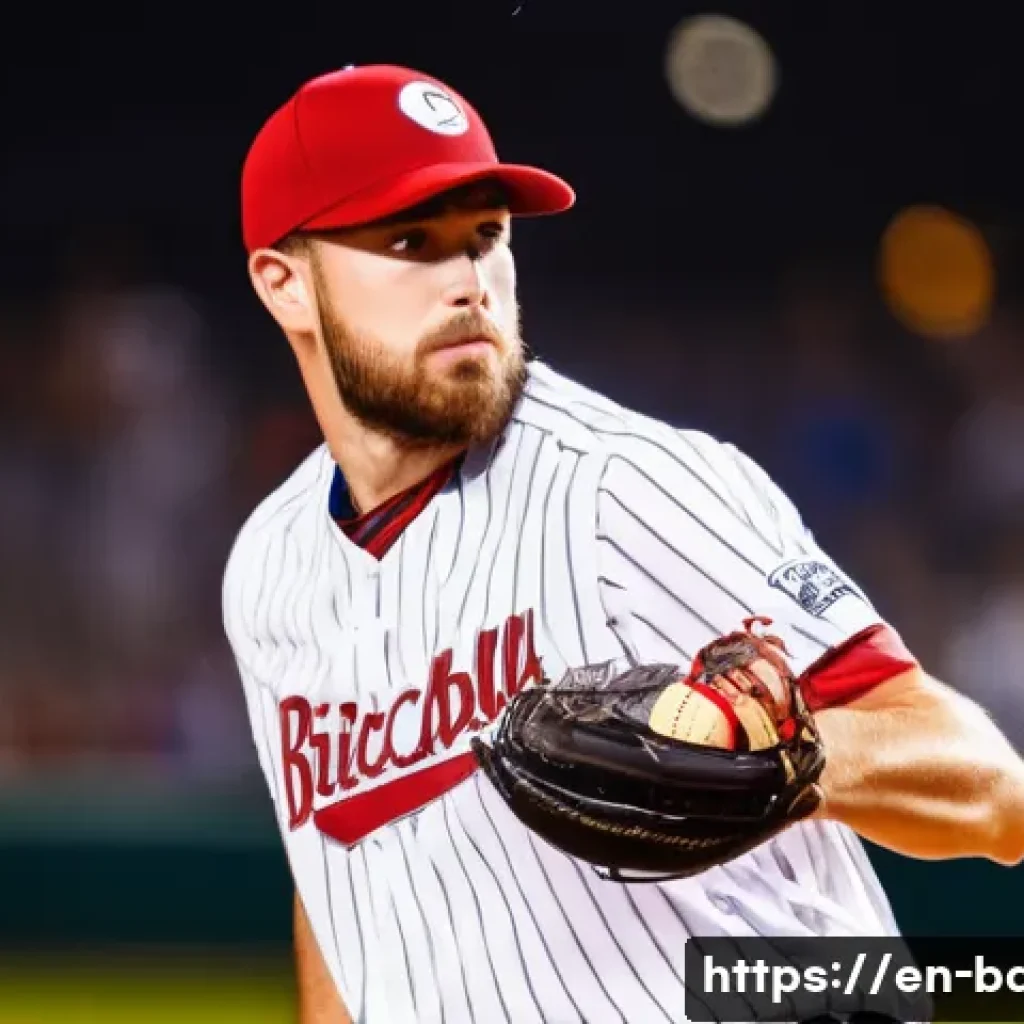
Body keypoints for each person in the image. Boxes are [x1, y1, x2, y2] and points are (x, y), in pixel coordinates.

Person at [223, 63, 1024, 1024]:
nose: (469, 284)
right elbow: (337, 875)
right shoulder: (267, 571)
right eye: (409, 243)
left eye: (485, 237)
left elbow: (988, 787)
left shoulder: (622, 487)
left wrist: (788, 762)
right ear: (285, 285)